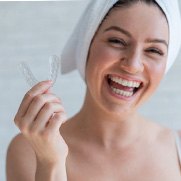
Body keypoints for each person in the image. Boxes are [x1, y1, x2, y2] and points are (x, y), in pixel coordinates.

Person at [6, 0, 181, 180]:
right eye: (117, 41)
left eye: (154, 50)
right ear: (86, 45)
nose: (133, 65)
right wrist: (50, 162)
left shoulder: (178, 149)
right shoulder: (29, 150)